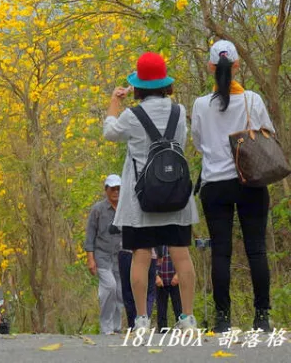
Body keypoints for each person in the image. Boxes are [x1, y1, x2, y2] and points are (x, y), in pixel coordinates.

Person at [104, 52, 199, 331]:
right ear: (165, 83)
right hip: (175, 196)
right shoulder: (179, 112)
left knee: (141, 256)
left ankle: (142, 319)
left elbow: (110, 133)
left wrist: (114, 101)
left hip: (141, 200)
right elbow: (179, 142)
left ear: (139, 86)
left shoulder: (132, 116)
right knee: (181, 254)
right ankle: (188, 318)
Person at [192, 40, 275, 333]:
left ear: (211, 67)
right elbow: (268, 134)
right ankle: (262, 317)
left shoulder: (201, 104)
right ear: (237, 65)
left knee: (221, 252)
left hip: (215, 185)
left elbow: (198, 143)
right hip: (250, 181)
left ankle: (223, 319)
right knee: (256, 250)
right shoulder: (252, 99)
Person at [84, 174, 125, 334]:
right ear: (106, 189)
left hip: (121, 257)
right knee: (109, 287)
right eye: (112, 188)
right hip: (102, 256)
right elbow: (90, 235)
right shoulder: (98, 209)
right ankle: (106, 327)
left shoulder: (125, 209)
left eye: (118, 188)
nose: (115, 192)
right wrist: (90, 259)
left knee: (119, 291)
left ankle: (116, 326)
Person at [119, 247, 158, 329]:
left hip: (128, 250)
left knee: (129, 292)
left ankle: (137, 322)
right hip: (151, 253)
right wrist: (161, 253)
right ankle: (143, 320)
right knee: (149, 293)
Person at [155, 245, 182, 330]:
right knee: (161, 308)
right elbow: (151, 261)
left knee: (178, 307)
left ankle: (181, 327)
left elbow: (183, 260)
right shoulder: (156, 243)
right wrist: (155, 276)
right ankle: (162, 330)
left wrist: (178, 274)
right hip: (160, 281)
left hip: (175, 279)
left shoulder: (175, 242)